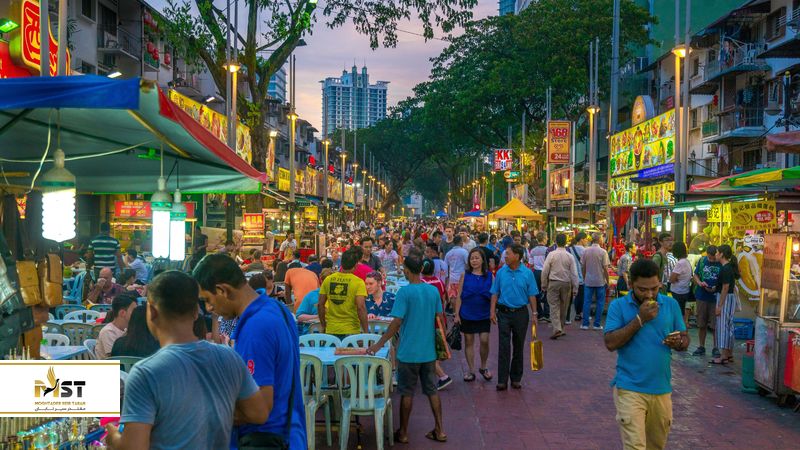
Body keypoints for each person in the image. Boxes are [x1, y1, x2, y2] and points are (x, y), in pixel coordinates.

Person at [104, 271, 269, 450]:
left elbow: (134, 448)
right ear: (195, 313)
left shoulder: (145, 373)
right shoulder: (229, 357)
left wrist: (114, 438)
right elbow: (259, 414)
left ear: (151, 312)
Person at [193, 254, 307, 449]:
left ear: (222, 290)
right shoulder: (277, 309)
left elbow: (258, 410)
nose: (210, 308)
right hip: (288, 435)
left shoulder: (256, 328)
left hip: (265, 439)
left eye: (208, 300)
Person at [604, 258, 688, 450]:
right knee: (635, 446)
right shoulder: (618, 306)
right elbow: (610, 343)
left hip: (661, 389)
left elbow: (684, 338)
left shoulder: (671, 304)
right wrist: (640, 319)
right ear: (631, 284)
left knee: (655, 446)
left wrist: (679, 343)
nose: (650, 294)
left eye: (655, 288)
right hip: (629, 388)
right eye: (643, 289)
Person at [366, 250, 447, 444]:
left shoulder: (404, 292)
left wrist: (379, 344)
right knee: (432, 391)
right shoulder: (432, 291)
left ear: (407, 271)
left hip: (408, 351)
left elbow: (396, 323)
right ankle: (440, 430)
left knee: (407, 392)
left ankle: (403, 432)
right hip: (428, 351)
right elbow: (438, 317)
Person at [490, 244, 538, 390]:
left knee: (518, 345)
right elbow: (495, 292)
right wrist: (492, 311)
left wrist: (534, 314)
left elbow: (532, 294)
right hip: (503, 313)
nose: (505, 256)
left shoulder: (527, 273)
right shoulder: (501, 272)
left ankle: (516, 378)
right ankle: (502, 380)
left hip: (521, 314)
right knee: (504, 346)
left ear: (517, 256)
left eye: (508, 254)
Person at [455, 248, 494, 382]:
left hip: (484, 314)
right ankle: (471, 370)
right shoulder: (464, 275)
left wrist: (493, 311)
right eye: (472, 258)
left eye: (477, 258)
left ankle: (483, 366)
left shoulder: (490, 275)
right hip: (467, 313)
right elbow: (459, 295)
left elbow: (494, 296)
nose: (474, 261)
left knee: (484, 340)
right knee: (469, 341)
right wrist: (456, 314)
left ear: (482, 259)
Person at [318, 248, 369, 338]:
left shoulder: (328, 279)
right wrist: (365, 331)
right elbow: (361, 308)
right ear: (356, 265)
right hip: (351, 330)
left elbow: (320, 304)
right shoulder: (358, 282)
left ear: (341, 263)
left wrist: (323, 325)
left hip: (331, 329)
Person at [420, 258, 453, 390]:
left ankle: (443, 376)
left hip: (428, 321)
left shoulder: (421, 283)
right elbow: (444, 300)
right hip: (440, 319)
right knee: (436, 349)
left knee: (426, 351)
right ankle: (433, 370)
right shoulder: (439, 281)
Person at [541, 234, 579, 340]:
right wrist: (575, 288)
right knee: (564, 306)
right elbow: (574, 274)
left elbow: (545, 271)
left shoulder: (551, 254)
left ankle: (557, 328)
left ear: (556, 242)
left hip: (553, 282)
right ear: (566, 242)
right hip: (566, 283)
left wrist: (543, 284)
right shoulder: (569, 256)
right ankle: (561, 328)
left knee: (553, 306)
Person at [711, 244, 740, 365]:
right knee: (728, 327)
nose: (716, 254)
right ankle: (729, 354)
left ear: (722, 254)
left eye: (717, 252)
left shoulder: (726, 268)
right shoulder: (728, 267)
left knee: (723, 327)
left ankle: (723, 356)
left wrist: (719, 306)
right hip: (729, 298)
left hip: (725, 299)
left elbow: (725, 287)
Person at [692, 245, 722, 357]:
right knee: (701, 323)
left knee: (715, 325)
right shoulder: (702, 260)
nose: (711, 260)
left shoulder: (721, 263)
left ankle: (716, 347)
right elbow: (695, 275)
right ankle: (701, 346)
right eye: (709, 258)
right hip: (702, 296)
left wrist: (716, 287)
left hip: (715, 298)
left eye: (713, 258)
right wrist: (700, 283)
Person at [581, 232, 610, 330]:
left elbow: (583, 266)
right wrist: (608, 280)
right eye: (602, 238)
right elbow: (605, 268)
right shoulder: (603, 252)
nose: (603, 240)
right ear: (599, 240)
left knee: (587, 302)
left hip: (588, 280)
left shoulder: (586, 251)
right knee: (600, 302)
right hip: (600, 281)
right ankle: (596, 324)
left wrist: (584, 277)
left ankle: (585, 324)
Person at [95, 293, 137, 359]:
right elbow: (115, 358)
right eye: (134, 310)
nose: (137, 313)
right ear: (122, 313)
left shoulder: (126, 329)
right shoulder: (108, 332)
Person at [296, 268, 335, 334]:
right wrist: (319, 316)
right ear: (321, 280)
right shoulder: (311, 295)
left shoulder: (338, 297)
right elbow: (299, 316)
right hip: (312, 333)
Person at [668, 242, 693, 326]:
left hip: (678, 291)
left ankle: (679, 328)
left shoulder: (680, 263)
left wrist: (674, 279)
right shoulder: (686, 261)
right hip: (685, 290)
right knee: (681, 310)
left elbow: (671, 279)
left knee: (677, 311)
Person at [567, 232, 588, 322]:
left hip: (570, 276)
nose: (587, 241)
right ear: (582, 240)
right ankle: (578, 314)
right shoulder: (585, 250)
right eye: (586, 239)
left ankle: (567, 318)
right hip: (581, 277)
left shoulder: (570, 249)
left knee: (569, 297)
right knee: (580, 296)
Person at [530, 232, 551, 323]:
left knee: (536, 293)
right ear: (543, 239)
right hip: (546, 273)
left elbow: (531, 264)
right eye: (546, 237)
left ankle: (540, 313)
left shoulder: (533, 250)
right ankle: (547, 314)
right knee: (548, 293)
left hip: (536, 273)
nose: (547, 239)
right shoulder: (548, 250)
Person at [444, 235, 469, 306]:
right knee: (462, 296)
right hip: (462, 278)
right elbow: (468, 264)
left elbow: (445, 266)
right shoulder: (464, 252)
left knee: (453, 296)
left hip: (452, 278)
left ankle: (455, 312)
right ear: (461, 242)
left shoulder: (448, 253)